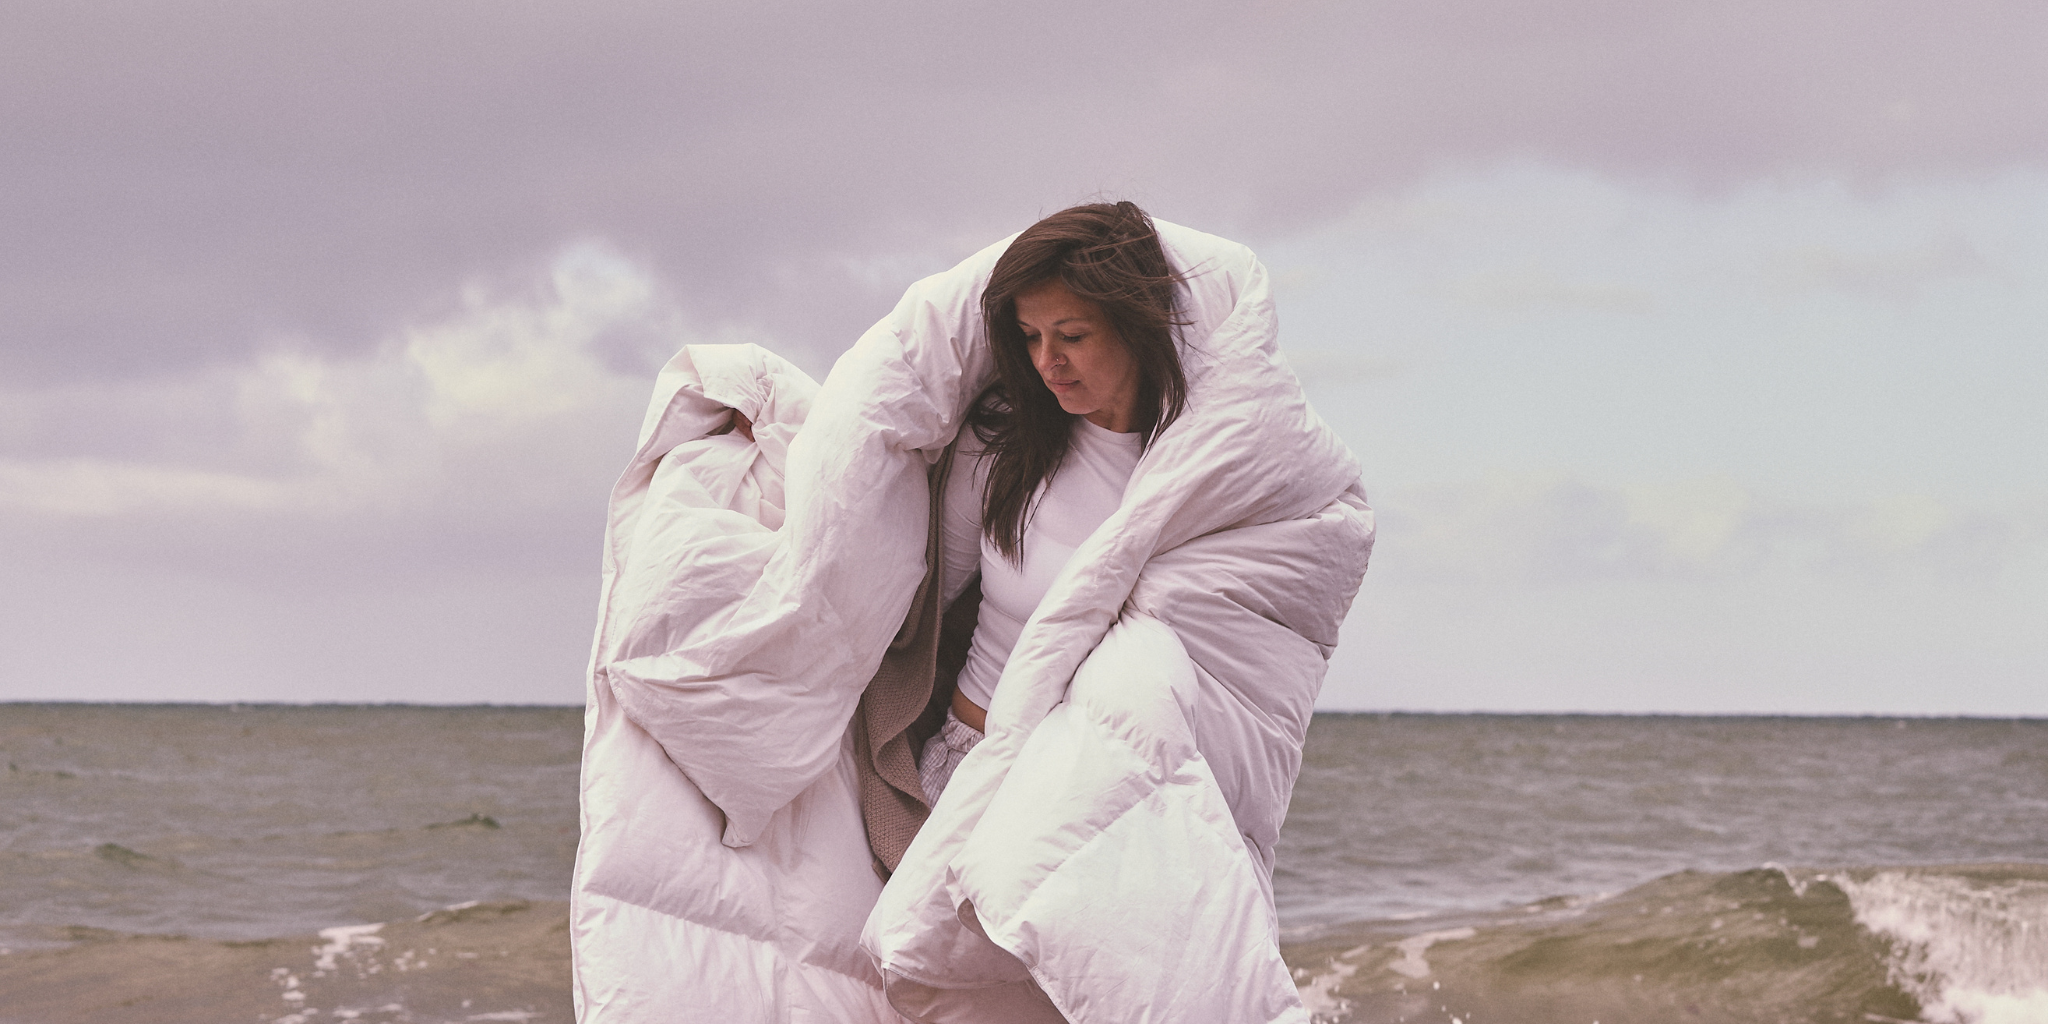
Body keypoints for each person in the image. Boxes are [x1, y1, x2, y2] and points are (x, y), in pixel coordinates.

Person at [572, 201, 1373, 1024]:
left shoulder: (1213, 482)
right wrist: (779, 456)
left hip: (1091, 792)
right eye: (1029, 338)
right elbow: (886, 552)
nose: (1048, 361)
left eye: (1072, 334)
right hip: (960, 773)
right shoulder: (1004, 449)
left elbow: (1279, 596)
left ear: (1137, 323)